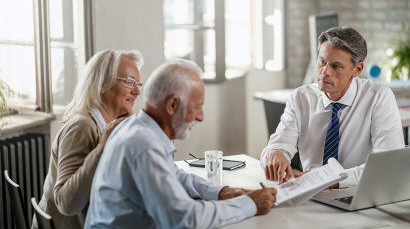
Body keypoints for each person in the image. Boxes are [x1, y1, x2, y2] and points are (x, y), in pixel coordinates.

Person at [85, 59, 277, 228]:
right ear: (172, 105)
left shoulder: (140, 128)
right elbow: (184, 219)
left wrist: (221, 192)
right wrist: (250, 204)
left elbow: (173, 175)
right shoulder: (143, 144)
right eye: (197, 107)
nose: (201, 117)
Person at [260, 26, 404, 187]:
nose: (325, 72)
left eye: (336, 66)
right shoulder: (301, 97)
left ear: (357, 69)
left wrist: (330, 179)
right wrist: (275, 154)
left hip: (355, 192)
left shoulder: (378, 98)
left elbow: (388, 164)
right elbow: (277, 145)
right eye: (322, 61)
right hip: (309, 192)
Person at [34, 49, 144, 229]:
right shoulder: (82, 127)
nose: (137, 91)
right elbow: (66, 203)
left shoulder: (109, 124)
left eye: (138, 83)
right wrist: (103, 147)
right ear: (102, 84)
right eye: (130, 82)